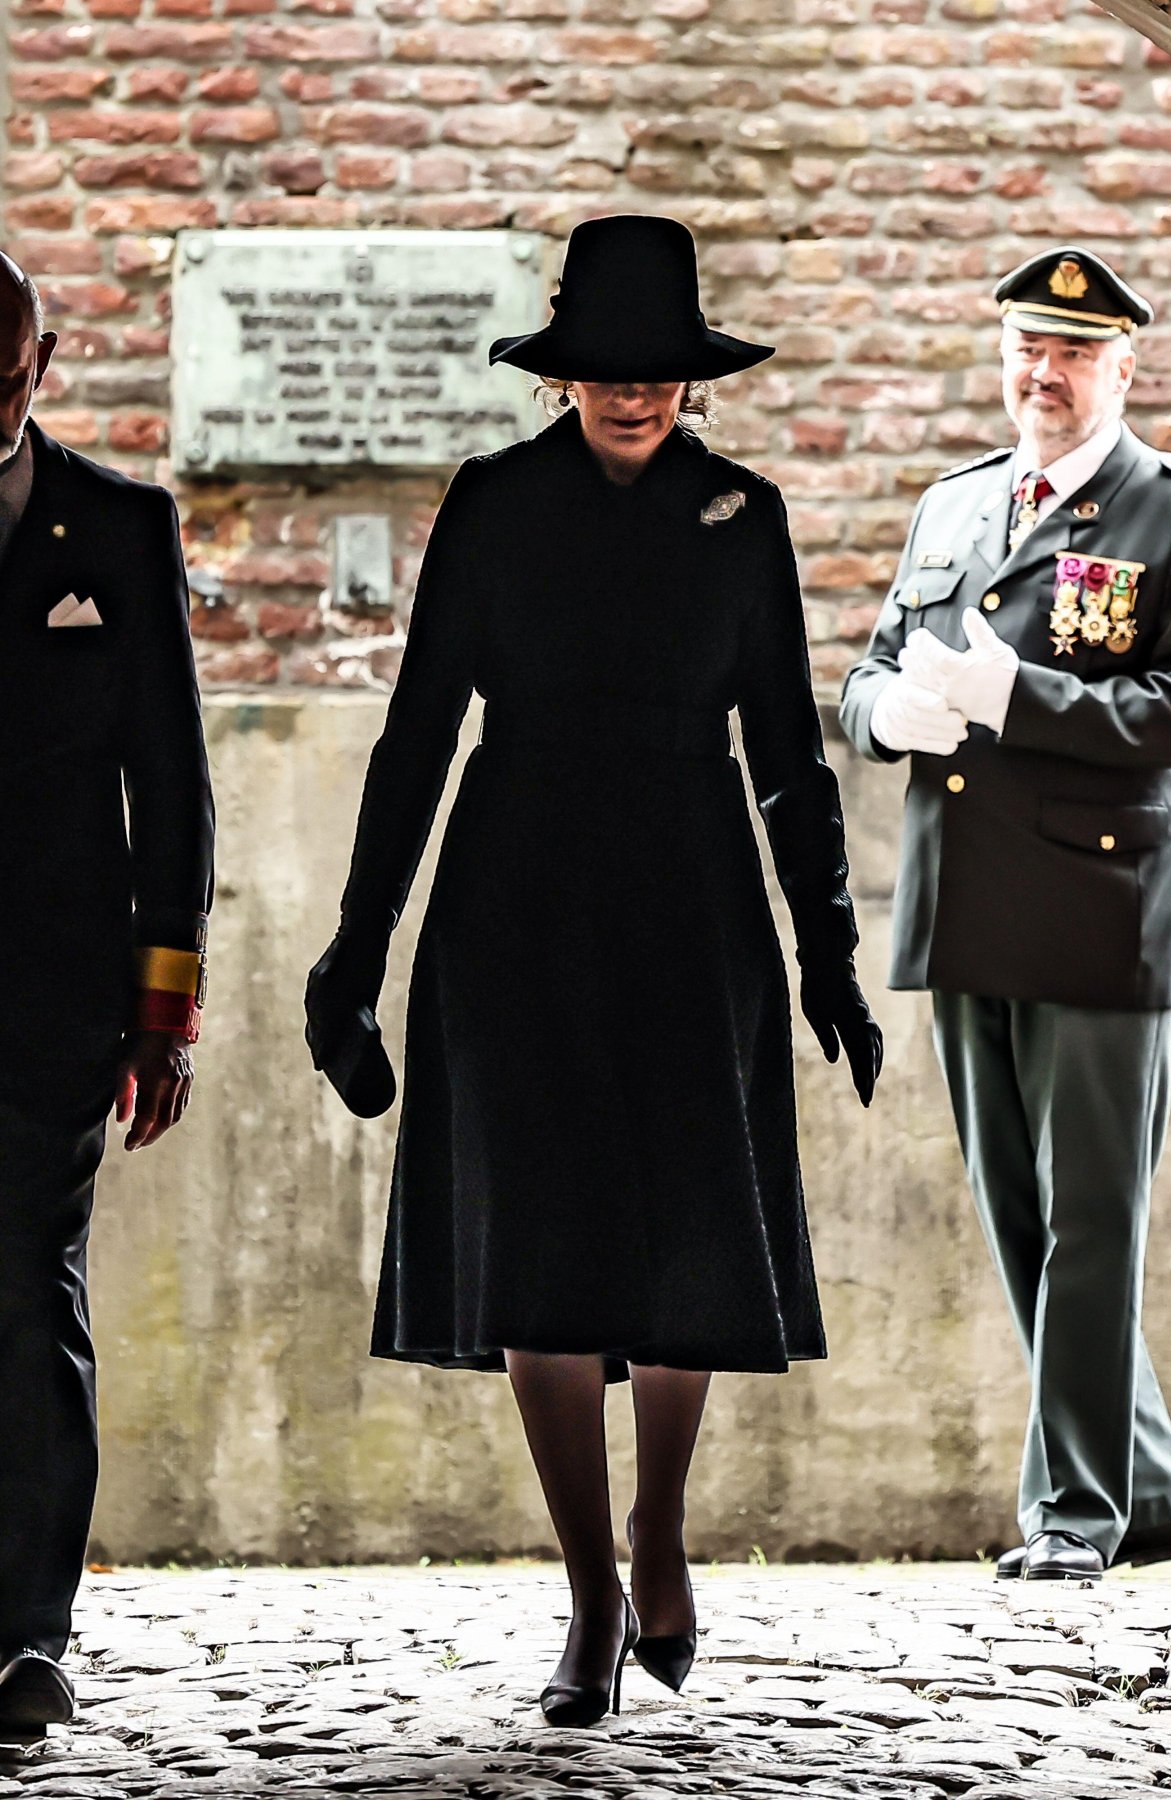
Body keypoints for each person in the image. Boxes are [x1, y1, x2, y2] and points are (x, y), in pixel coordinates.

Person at [307, 214, 882, 1722]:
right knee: (542, 1246)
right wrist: (354, 952)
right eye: (608, 372)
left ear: (693, 376)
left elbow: (788, 752)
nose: (636, 396)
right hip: (518, 905)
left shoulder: (742, 514)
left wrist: (830, 959)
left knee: (689, 1228)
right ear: (564, 370)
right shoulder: (492, 507)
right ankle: (586, 1590)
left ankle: (663, 1529)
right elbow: (418, 730)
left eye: (661, 374)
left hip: (697, 900)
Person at [841, 246, 1171, 1582]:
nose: (1040, 375)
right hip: (965, 888)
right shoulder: (954, 507)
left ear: (1124, 368)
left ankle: (1077, 1514)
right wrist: (884, 715)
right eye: (1023, 351)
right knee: (1015, 1210)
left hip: (1105, 902)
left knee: (1091, 1213)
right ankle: (1147, 1489)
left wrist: (1017, 702)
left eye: (1071, 353)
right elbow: (871, 669)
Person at [0, 252, 214, 1729]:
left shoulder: (120, 530)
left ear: (46, 361)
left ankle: (28, 1632)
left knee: (26, 1295)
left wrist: (163, 1010)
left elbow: (176, 786)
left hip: (54, 993)